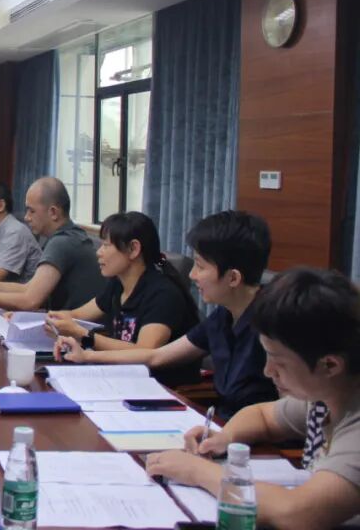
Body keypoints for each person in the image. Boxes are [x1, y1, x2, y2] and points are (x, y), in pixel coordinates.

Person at [145, 268, 360, 530]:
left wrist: (197, 471)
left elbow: (298, 513)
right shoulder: (325, 396)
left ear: (330, 365)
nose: (268, 371)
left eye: (279, 362)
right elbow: (262, 416)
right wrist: (225, 437)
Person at [54, 210, 277, 417]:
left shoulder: (274, 325)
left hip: (253, 439)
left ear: (233, 278)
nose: (192, 275)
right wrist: (87, 355)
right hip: (223, 429)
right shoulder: (222, 317)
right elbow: (156, 356)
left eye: (200, 266)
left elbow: (283, 412)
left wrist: (87, 338)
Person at [45, 211, 201, 386]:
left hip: (161, 387)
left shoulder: (163, 294)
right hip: (121, 377)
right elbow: (77, 315)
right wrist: (49, 319)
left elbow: (145, 351)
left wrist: (83, 335)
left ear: (134, 249)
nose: (99, 252)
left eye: (106, 245)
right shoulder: (118, 284)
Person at [0, 177, 106, 311]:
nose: (26, 217)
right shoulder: (62, 237)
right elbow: (28, 288)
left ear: (53, 212)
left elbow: (30, 300)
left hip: (77, 331)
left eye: (31, 210)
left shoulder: (63, 242)